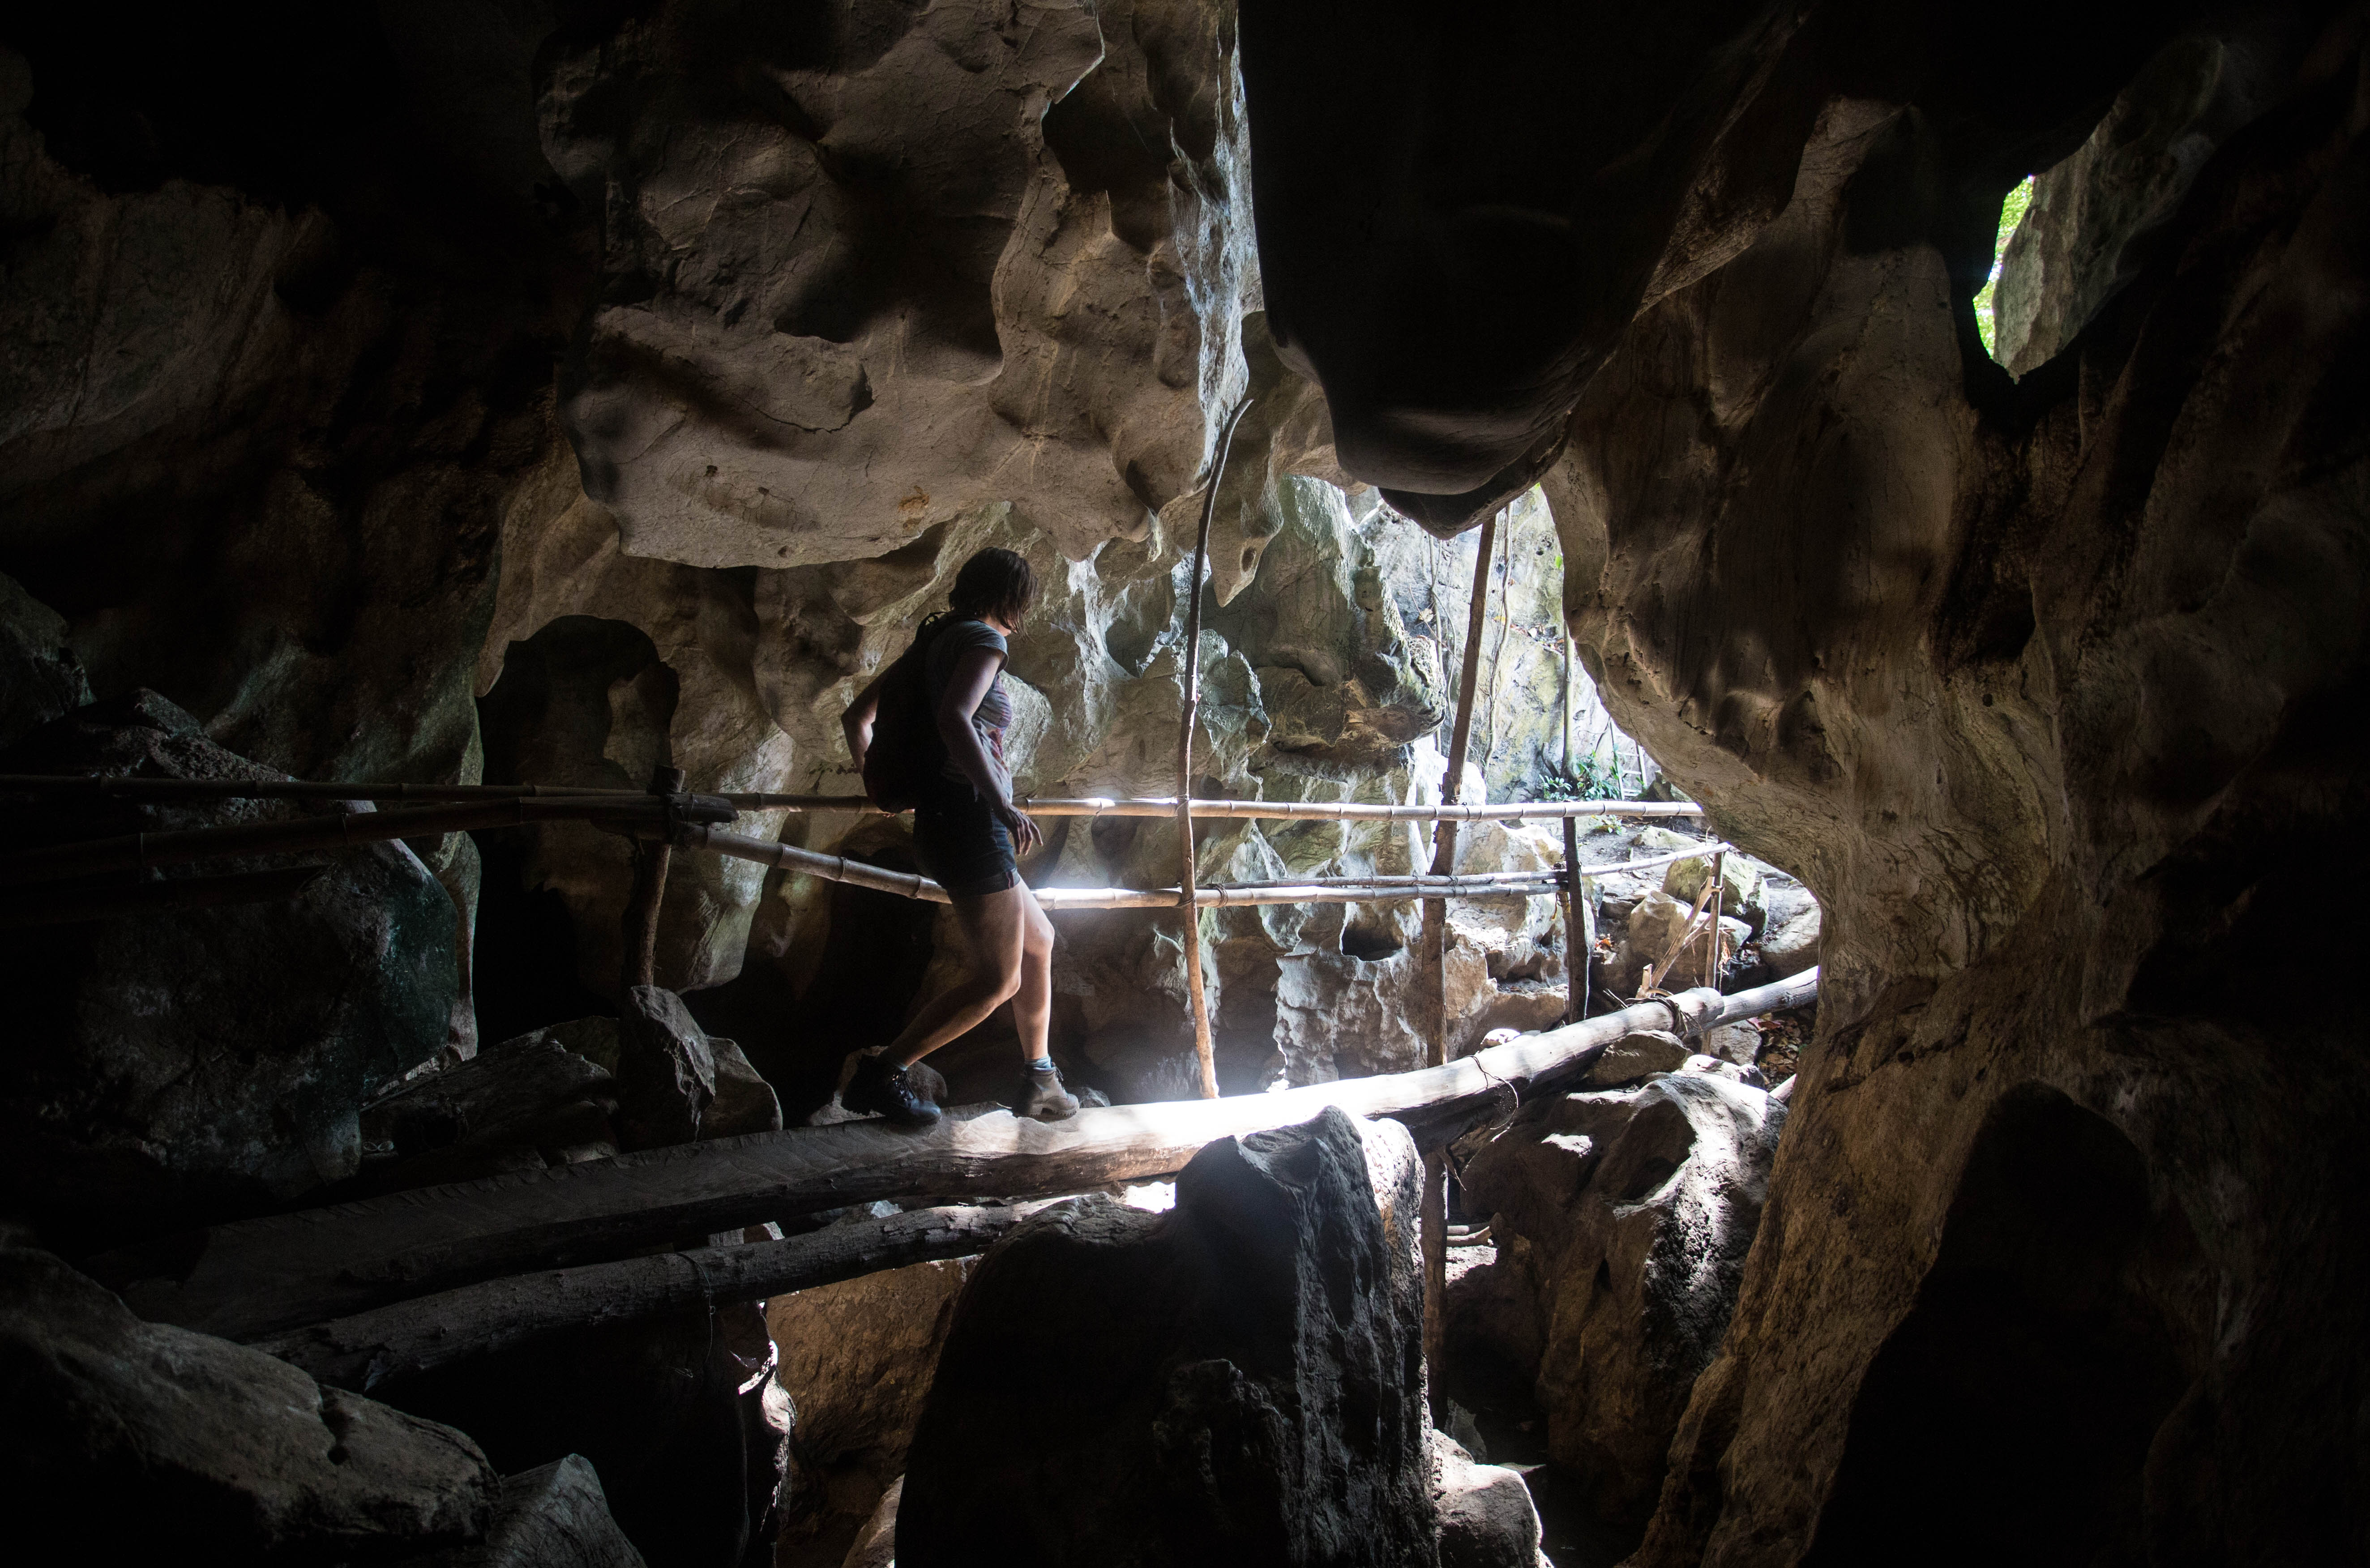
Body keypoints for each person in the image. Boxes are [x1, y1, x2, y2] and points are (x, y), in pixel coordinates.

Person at [838, 547, 1078, 1125]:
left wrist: (882, 785)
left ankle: (1039, 1077)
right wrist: (1000, 801)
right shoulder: (984, 642)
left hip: (947, 819)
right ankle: (883, 1074)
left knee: (1038, 939)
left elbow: (856, 719)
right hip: (971, 819)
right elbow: (955, 718)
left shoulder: (931, 644)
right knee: (998, 980)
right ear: (1013, 597)